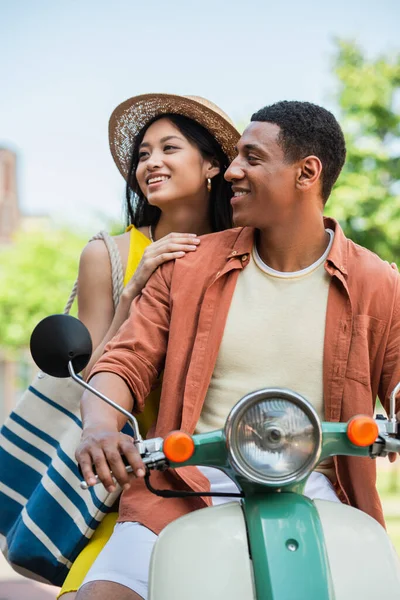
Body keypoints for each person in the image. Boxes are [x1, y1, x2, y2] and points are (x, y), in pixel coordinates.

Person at [75, 100, 400, 600]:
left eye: (251, 157)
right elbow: (125, 359)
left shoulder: (378, 282)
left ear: (306, 173)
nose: (232, 171)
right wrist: (99, 426)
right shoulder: (187, 267)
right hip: (183, 485)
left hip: (321, 489)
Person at [58, 93, 240, 600]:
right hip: (130, 473)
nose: (151, 163)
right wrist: (133, 290)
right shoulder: (109, 254)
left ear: (211, 165)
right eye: (143, 154)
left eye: (169, 148)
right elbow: (89, 378)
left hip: (231, 469)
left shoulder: (248, 248)